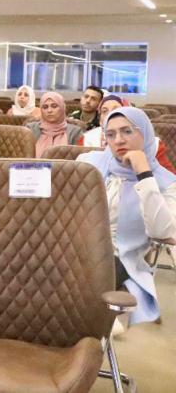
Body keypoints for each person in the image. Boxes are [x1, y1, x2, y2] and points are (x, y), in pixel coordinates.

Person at [77, 107, 176, 327]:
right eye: (111, 134)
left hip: (119, 256)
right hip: (74, 248)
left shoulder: (166, 181)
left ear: (146, 133)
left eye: (127, 131)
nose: (118, 140)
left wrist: (144, 174)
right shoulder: (89, 164)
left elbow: (162, 232)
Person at [82, 95, 174, 172]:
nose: (110, 114)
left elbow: (169, 179)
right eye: (104, 111)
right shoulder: (88, 138)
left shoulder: (153, 144)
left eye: (116, 109)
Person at [26, 91, 83, 157]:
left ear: (62, 108)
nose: (49, 110)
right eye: (45, 107)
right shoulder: (30, 129)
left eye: (54, 106)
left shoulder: (75, 132)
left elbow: (79, 159)